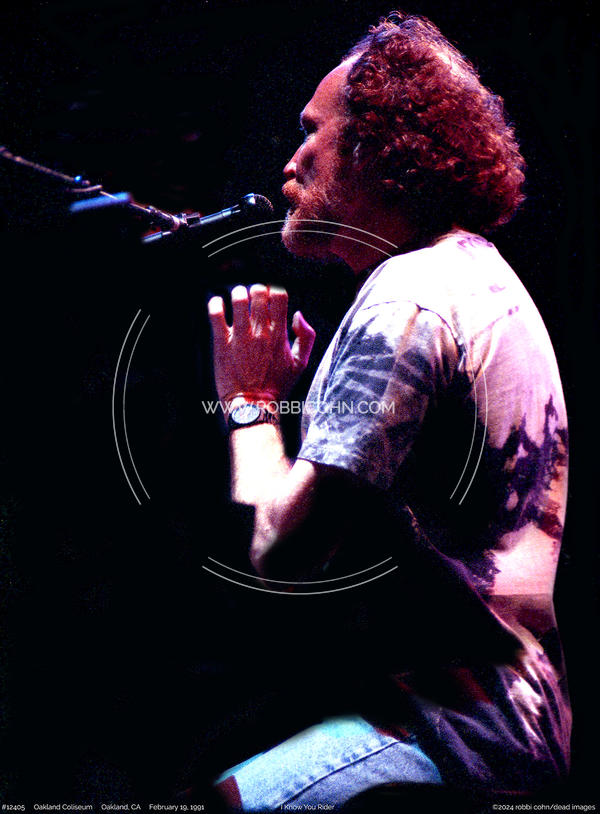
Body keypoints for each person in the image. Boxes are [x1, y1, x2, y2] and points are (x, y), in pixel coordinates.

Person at [206, 12, 571, 811]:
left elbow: (280, 552)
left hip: (448, 738)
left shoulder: (407, 297)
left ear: (377, 148)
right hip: (519, 729)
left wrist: (251, 404)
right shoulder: (475, 278)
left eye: (313, 133)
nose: (291, 160)